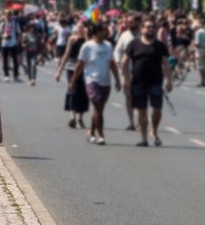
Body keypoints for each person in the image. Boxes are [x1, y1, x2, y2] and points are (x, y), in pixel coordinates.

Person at [121, 18, 173, 147]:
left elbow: (166, 63)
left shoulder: (160, 45)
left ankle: (154, 130)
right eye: (148, 27)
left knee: (157, 109)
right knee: (142, 110)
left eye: (152, 27)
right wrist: (126, 77)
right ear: (142, 29)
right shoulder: (134, 44)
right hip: (138, 82)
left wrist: (169, 80)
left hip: (156, 82)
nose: (151, 29)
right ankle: (144, 138)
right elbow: (124, 61)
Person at [69, 22, 121, 145]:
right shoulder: (87, 46)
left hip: (105, 82)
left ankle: (91, 132)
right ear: (96, 32)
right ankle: (101, 135)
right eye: (103, 30)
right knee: (97, 106)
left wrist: (117, 79)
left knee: (99, 110)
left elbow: (112, 64)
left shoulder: (108, 46)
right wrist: (73, 81)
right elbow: (80, 65)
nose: (106, 33)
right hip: (92, 81)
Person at [55, 21, 88, 129]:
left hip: (85, 69)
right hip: (71, 68)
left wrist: (86, 37)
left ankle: (81, 118)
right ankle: (72, 117)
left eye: (82, 27)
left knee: (83, 93)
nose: (80, 29)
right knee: (72, 90)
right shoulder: (72, 39)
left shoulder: (87, 40)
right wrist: (59, 70)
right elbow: (66, 54)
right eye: (78, 27)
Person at [192, 21, 205, 88]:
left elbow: (197, 43)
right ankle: (204, 81)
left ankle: (202, 81)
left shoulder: (198, 33)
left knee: (200, 66)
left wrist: (192, 46)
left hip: (200, 50)